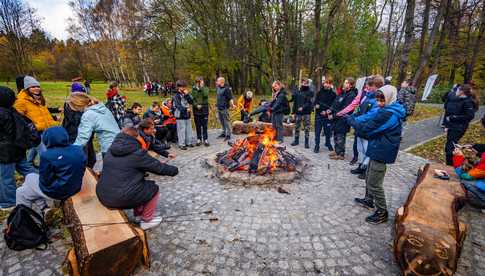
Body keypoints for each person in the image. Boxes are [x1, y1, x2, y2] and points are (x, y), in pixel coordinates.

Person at [96, 127, 179, 230]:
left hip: (103, 194)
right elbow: (158, 167)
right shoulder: (137, 153)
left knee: (138, 185)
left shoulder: (110, 150)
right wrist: (174, 170)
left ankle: (138, 215)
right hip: (119, 197)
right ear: (135, 137)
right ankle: (146, 220)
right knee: (153, 189)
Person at [347, 86, 405, 224]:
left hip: (382, 151)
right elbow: (370, 120)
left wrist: (352, 122)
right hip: (376, 147)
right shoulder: (386, 110)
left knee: (375, 183)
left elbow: (368, 130)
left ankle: (382, 212)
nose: (379, 103)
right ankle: (369, 199)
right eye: (378, 100)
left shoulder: (389, 114)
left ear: (390, 98)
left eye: (382, 100)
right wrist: (356, 119)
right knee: (368, 176)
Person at [16, 126, 87, 215]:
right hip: (75, 187)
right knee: (25, 185)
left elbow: (45, 180)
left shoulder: (47, 155)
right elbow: (83, 167)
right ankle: (44, 209)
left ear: (47, 139)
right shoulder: (78, 149)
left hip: (58, 192)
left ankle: (24, 222)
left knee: (24, 185)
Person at [0, 86, 37, 210]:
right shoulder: (13, 111)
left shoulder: (2, 113)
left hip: (4, 152)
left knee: (5, 177)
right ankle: (43, 185)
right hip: (17, 148)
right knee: (27, 169)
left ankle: (8, 202)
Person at [14, 76, 58, 167]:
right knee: (45, 154)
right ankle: (48, 172)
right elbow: (18, 117)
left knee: (36, 147)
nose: (37, 88)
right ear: (27, 88)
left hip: (45, 130)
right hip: (35, 131)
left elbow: (44, 114)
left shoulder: (38, 98)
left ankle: (29, 163)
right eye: (33, 87)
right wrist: (32, 127)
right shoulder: (21, 101)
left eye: (38, 86)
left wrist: (53, 120)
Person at [350, 76, 383, 179]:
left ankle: (366, 169)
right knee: (360, 148)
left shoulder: (379, 98)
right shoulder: (367, 96)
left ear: (376, 86)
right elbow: (361, 108)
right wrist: (354, 115)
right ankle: (361, 165)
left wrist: (357, 119)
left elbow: (372, 114)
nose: (367, 87)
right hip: (361, 127)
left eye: (369, 86)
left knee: (367, 149)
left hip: (369, 128)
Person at [68, 93, 120, 157]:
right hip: (119, 142)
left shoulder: (88, 115)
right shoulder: (101, 107)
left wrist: (70, 151)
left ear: (77, 106)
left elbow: (82, 138)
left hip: (109, 148)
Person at [443, 84, 478, 165]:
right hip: (453, 126)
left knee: (450, 148)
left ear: (462, 91)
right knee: (449, 146)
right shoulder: (460, 100)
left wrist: (453, 118)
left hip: (458, 128)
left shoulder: (467, 102)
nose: (456, 91)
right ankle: (450, 164)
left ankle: (450, 166)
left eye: (458, 89)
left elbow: (470, 116)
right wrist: (447, 125)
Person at [62, 88, 96, 168]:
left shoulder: (83, 111)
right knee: (81, 162)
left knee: (91, 159)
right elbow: (78, 121)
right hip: (75, 139)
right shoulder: (71, 110)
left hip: (87, 139)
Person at [327, 77, 358, 160]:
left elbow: (345, 109)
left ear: (351, 85)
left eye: (347, 82)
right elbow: (336, 102)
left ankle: (341, 153)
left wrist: (333, 116)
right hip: (336, 118)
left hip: (343, 119)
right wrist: (330, 110)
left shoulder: (351, 95)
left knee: (340, 135)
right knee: (336, 134)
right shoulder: (343, 93)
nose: (345, 84)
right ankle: (336, 150)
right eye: (345, 82)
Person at [314, 77, 336, 153]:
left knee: (328, 131)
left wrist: (327, 112)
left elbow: (334, 105)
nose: (326, 85)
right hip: (318, 115)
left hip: (327, 116)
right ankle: (317, 145)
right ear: (323, 84)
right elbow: (315, 102)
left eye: (328, 83)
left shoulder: (333, 94)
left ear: (331, 84)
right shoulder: (319, 93)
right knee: (317, 131)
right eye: (325, 83)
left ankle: (328, 143)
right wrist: (316, 106)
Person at [290, 79, 314, 148]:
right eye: (303, 83)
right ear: (301, 83)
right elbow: (294, 101)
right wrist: (293, 111)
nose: (304, 84)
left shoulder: (310, 92)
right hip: (298, 113)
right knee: (297, 127)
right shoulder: (298, 91)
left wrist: (303, 107)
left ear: (308, 84)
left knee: (307, 128)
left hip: (306, 113)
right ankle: (296, 140)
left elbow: (309, 102)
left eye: (306, 83)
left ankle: (306, 142)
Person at [173, 79, 194, 150]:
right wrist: (186, 109)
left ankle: (189, 142)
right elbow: (178, 106)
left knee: (189, 129)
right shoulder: (176, 95)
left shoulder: (186, 93)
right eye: (183, 87)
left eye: (185, 87)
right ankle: (181, 144)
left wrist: (187, 94)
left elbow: (191, 102)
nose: (184, 88)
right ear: (179, 87)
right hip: (180, 115)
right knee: (181, 130)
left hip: (187, 115)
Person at [192, 77, 210, 146]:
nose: (199, 83)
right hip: (196, 110)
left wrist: (202, 88)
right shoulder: (193, 90)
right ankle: (199, 138)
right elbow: (192, 99)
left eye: (201, 81)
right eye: (198, 82)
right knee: (198, 125)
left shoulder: (206, 88)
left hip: (204, 109)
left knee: (204, 125)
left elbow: (205, 95)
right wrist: (196, 105)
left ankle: (205, 139)